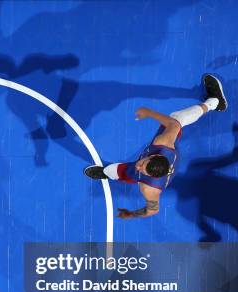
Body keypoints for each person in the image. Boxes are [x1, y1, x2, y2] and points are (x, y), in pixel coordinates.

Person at [83, 74, 227, 219]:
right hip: (169, 151)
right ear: (154, 155)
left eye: (142, 170)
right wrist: (149, 113)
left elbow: (153, 210)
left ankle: (105, 173)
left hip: (155, 172)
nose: (138, 167)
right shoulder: (162, 143)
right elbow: (173, 124)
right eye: (142, 163)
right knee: (177, 118)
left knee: (111, 171)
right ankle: (214, 102)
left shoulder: (148, 188)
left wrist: (132, 214)